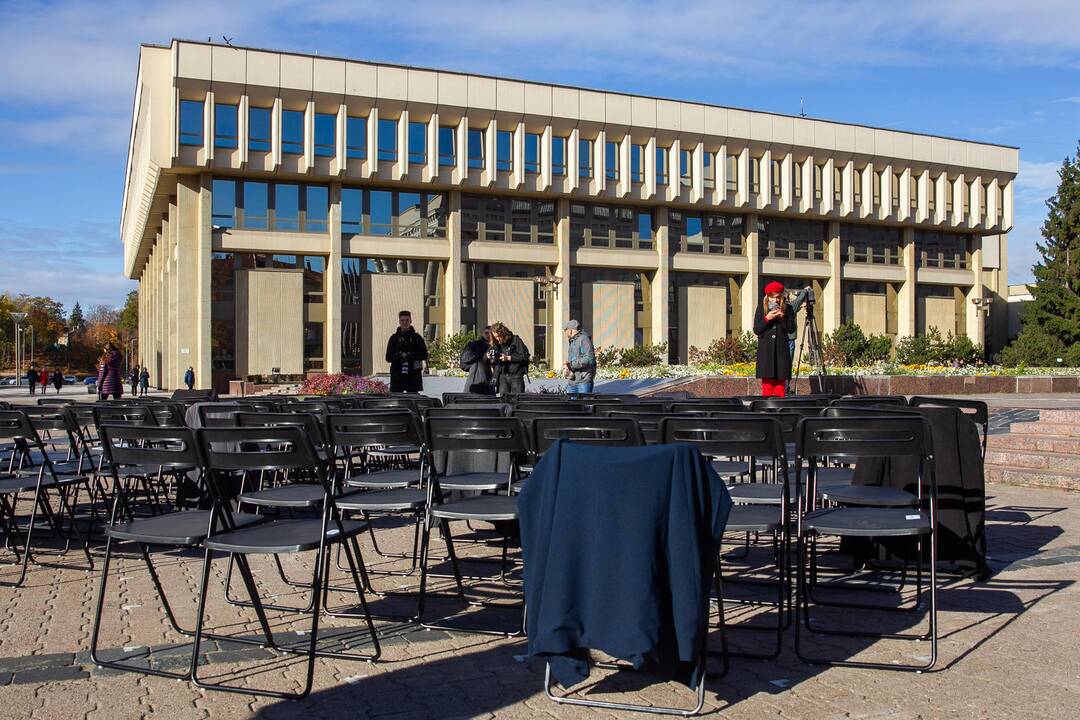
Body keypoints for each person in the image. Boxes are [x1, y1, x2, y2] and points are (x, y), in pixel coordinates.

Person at [754, 281, 796, 397]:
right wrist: (767, 318)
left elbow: (791, 329)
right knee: (767, 385)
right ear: (768, 297)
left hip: (781, 351)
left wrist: (783, 318)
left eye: (778, 297)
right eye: (773, 297)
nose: (776, 300)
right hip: (766, 351)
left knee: (780, 385)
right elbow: (757, 329)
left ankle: (779, 410)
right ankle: (766, 410)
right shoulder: (761, 308)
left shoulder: (788, 309)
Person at [384, 310, 428, 393]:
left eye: (407, 320)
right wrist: (399, 355)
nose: (404, 323)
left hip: (413, 375)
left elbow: (424, 355)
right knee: (396, 400)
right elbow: (388, 357)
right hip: (397, 375)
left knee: (413, 399)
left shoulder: (417, 338)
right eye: (402, 320)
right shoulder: (394, 338)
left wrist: (410, 355)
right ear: (399, 322)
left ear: (410, 321)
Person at [489, 322, 530, 396]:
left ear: (503, 333)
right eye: (495, 337)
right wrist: (491, 356)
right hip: (503, 375)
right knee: (503, 401)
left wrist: (509, 358)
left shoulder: (515, 340)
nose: (497, 338)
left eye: (499, 336)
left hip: (516, 376)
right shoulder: (497, 344)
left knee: (517, 400)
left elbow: (524, 357)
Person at [562, 320, 596, 395]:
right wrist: (567, 368)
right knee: (573, 406)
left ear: (571, 330)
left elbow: (589, 359)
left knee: (585, 406)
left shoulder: (584, 339)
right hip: (572, 381)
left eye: (566, 330)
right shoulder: (572, 341)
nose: (565, 332)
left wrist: (571, 364)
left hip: (583, 382)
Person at [460, 326, 494, 394]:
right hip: (476, 381)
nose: (489, 335)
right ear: (482, 334)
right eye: (487, 333)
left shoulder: (497, 347)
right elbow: (465, 359)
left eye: (491, 334)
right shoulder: (474, 345)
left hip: (489, 384)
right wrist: (482, 356)